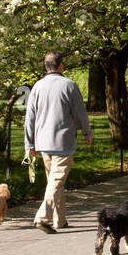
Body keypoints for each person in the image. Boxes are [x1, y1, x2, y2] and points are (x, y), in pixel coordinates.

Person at [24, 51, 93, 233]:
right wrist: (87, 132)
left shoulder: (37, 87)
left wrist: (29, 144)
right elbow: (80, 113)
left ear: (46, 66)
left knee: (55, 183)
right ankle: (42, 216)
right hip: (63, 142)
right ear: (61, 66)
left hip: (43, 143)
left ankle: (60, 220)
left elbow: (29, 117)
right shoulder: (69, 85)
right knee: (56, 182)